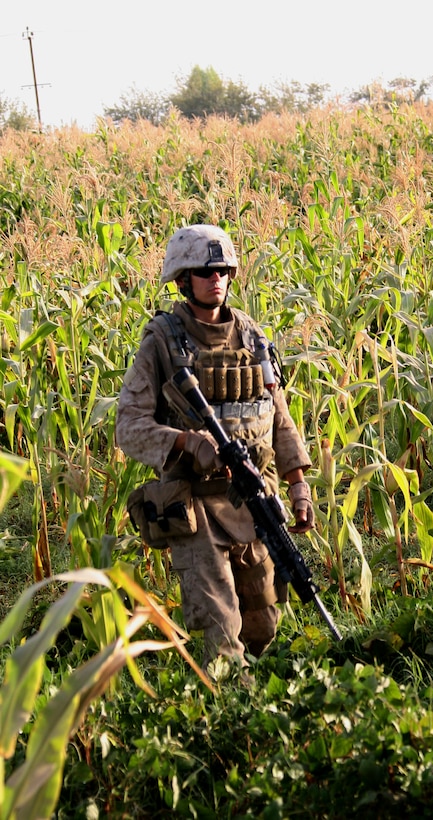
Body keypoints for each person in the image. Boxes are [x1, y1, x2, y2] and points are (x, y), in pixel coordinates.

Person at [116, 224, 315, 674]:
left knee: (262, 626)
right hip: (196, 507)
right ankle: (225, 715)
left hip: (254, 499)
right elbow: (128, 427)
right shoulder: (163, 342)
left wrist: (298, 485)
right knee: (222, 633)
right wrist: (187, 442)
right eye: (205, 271)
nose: (217, 279)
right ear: (182, 279)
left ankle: (261, 708)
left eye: (223, 269)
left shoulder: (251, 335)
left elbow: (278, 416)